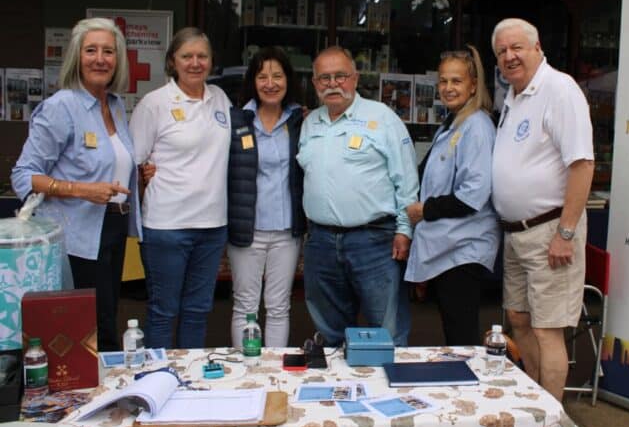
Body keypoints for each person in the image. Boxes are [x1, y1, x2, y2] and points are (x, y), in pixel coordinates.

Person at [11, 17, 141, 352]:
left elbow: (112, 162)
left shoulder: (114, 105)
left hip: (113, 226)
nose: (100, 59)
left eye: (109, 51)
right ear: (76, 57)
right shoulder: (61, 107)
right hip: (76, 235)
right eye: (91, 50)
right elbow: (23, 176)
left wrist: (140, 173)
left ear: (118, 59)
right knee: (87, 331)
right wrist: (83, 190)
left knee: (107, 318)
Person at [490, 18, 594, 400]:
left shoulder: (559, 89)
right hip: (516, 232)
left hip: (551, 231)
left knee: (548, 330)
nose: (509, 56)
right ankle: (535, 402)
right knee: (518, 319)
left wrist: (565, 234)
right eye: (501, 51)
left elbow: (582, 165)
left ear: (537, 48)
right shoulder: (514, 95)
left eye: (516, 47)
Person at [296, 46, 418, 346]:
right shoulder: (310, 123)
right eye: (324, 78)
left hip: (374, 242)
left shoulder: (382, 118)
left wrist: (405, 230)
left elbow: (406, 178)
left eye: (340, 76)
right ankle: (341, 391)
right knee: (330, 333)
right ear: (314, 84)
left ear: (355, 78)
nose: (332, 84)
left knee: (386, 332)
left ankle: (389, 389)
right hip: (322, 243)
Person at [129, 27, 231, 349]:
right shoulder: (154, 104)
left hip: (212, 226)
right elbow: (133, 160)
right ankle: (158, 380)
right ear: (173, 61)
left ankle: (189, 382)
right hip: (166, 226)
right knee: (163, 311)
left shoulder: (221, 99)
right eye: (187, 56)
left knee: (198, 311)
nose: (195, 63)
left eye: (202, 56)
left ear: (212, 61)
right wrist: (145, 177)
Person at [405, 45, 500, 346]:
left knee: (462, 337)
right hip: (449, 247)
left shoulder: (477, 127)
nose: (448, 88)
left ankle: (470, 390)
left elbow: (473, 194)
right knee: (453, 332)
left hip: (463, 249)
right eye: (443, 81)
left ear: (474, 84)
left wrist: (425, 210)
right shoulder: (453, 123)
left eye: (456, 81)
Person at [227, 46, 306, 349]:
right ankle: (245, 371)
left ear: (288, 80)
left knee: (278, 306)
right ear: (253, 81)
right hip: (248, 229)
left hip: (287, 231)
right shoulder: (237, 121)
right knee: (245, 306)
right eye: (262, 76)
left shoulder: (300, 121)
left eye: (277, 75)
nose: (270, 83)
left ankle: (272, 372)